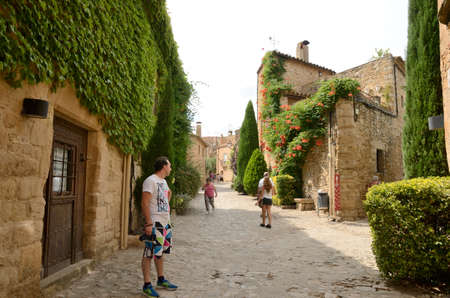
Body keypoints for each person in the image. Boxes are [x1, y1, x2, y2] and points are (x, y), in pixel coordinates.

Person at [140, 156, 177, 297]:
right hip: (154, 222)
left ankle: (161, 279)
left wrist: (166, 205)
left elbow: (168, 194)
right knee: (149, 253)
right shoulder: (150, 181)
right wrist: (149, 223)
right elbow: (144, 203)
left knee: (160, 253)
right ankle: (147, 285)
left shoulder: (163, 181)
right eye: (170, 165)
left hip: (165, 223)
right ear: (163, 166)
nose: (171, 168)